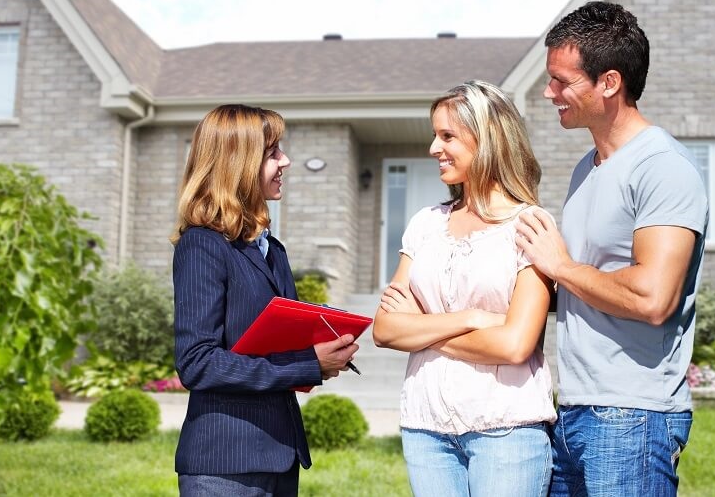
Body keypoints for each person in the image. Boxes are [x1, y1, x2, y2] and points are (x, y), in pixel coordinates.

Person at [514, 2, 710, 496]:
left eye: (561, 81)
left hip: (632, 414)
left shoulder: (662, 167)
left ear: (609, 82)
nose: (548, 92)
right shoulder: (588, 168)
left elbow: (652, 297)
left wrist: (558, 264)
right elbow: (587, 283)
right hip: (576, 408)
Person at [373, 80, 556, 497]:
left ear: (488, 139)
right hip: (426, 428)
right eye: (435, 135)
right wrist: (471, 319)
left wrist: (421, 328)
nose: (433, 148)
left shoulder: (530, 225)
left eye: (447, 136)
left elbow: (514, 345)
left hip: (506, 428)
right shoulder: (426, 224)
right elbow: (384, 330)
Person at [170, 104, 358, 497]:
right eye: (273, 153)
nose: (286, 161)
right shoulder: (202, 246)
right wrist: (308, 364)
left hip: (278, 457)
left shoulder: (273, 250)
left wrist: (324, 343)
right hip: (224, 468)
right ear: (238, 163)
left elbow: (278, 342)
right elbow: (197, 363)